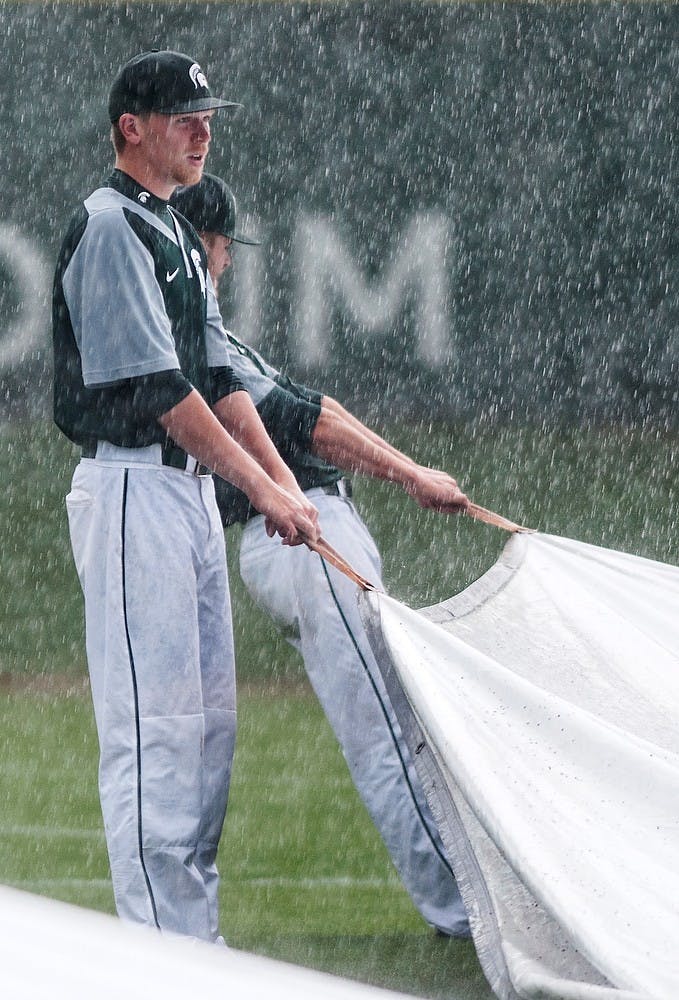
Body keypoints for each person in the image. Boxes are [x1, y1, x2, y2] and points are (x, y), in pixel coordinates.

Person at [52, 52, 319, 943]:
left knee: (206, 736)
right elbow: (165, 395)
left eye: (208, 116)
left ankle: (193, 951)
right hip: (132, 491)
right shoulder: (110, 228)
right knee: (156, 733)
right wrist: (262, 487)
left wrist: (281, 486)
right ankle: (160, 960)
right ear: (132, 127)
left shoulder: (168, 228)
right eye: (184, 116)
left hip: (186, 500)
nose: (203, 130)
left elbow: (220, 377)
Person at [170, 174, 472, 937]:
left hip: (303, 533)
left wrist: (406, 471)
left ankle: (460, 900)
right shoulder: (189, 336)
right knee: (383, 727)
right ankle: (463, 911)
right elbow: (311, 431)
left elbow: (318, 409)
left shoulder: (211, 336)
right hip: (297, 538)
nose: (229, 262)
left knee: (394, 719)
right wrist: (408, 476)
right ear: (210, 247)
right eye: (223, 248)